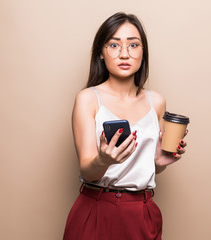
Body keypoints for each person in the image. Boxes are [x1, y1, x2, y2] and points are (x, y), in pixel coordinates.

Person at [63, 12, 188, 240]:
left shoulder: (156, 102)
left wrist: (160, 162)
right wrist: (104, 160)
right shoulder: (88, 99)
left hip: (141, 212)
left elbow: (150, 166)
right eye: (114, 44)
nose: (124, 53)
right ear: (101, 53)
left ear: (143, 53)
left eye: (133, 45)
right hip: (97, 209)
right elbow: (87, 170)